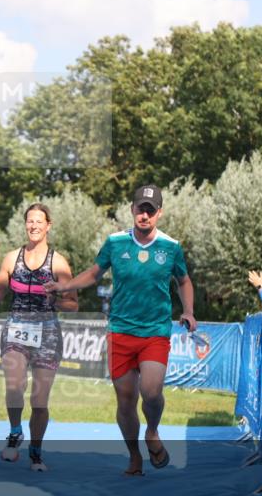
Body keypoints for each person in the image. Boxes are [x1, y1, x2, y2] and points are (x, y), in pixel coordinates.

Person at [44, 185, 196, 476]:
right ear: (132, 209)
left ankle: (152, 432)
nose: (145, 214)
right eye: (141, 208)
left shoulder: (171, 247)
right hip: (120, 332)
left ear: (159, 213)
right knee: (125, 400)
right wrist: (64, 285)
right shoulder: (115, 243)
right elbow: (94, 273)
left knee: (151, 392)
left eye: (150, 210)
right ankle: (134, 455)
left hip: (154, 331)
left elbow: (184, 281)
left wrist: (188, 310)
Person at [0, 203, 77, 471]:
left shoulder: (58, 263)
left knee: (39, 400)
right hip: (16, 329)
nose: (34, 225)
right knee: (14, 386)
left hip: (48, 334)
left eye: (39, 221)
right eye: (30, 221)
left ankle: (36, 451)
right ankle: (15, 431)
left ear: (49, 225)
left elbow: (73, 305)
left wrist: (55, 298)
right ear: (25, 225)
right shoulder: (12, 258)